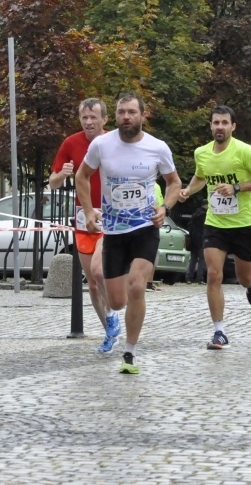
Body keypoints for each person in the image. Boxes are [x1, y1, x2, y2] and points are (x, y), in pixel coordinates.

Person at [75, 93, 181, 374]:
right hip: (114, 231)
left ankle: (130, 352)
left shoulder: (157, 148)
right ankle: (118, 322)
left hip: (145, 228)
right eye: (121, 112)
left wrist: (165, 208)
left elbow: (173, 182)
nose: (126, 117)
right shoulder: (101, 145)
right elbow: (81, 176)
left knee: (137, 286)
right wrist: (88, 212)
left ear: (142, 115)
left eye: (131, 112)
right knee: (118, 300)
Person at [178, 105, 251, 350]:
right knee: (213, 274)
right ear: (210, 126)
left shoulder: (244, 151)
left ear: (233, 127)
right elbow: (201, 177)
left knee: (243, 277)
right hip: (215, 223)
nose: (219, 127)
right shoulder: (202, 153)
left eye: (224, 123)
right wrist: (189, 189)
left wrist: (237, 187)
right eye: (216, 122)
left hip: (243, 223)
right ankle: (219, 331)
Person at [49, 98, 114, 353]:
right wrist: (62, 175)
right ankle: (109, 329)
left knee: (99, 272)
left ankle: (115, 314)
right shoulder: (71, 143)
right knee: (94, 282)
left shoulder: (114, 142)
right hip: (83, 219)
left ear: (104, 120)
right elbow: (52, 182)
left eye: (93, 117)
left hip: (111, 217)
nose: (88, 122)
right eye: (84, 118)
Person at [186, 200, 208, 284]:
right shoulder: (205, 214)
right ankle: (200, 278)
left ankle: (189, 277)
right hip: (201, 238)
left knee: (193, 259)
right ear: (205, 205)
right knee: (202, 259)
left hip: (193, 239)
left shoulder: (195, 214)